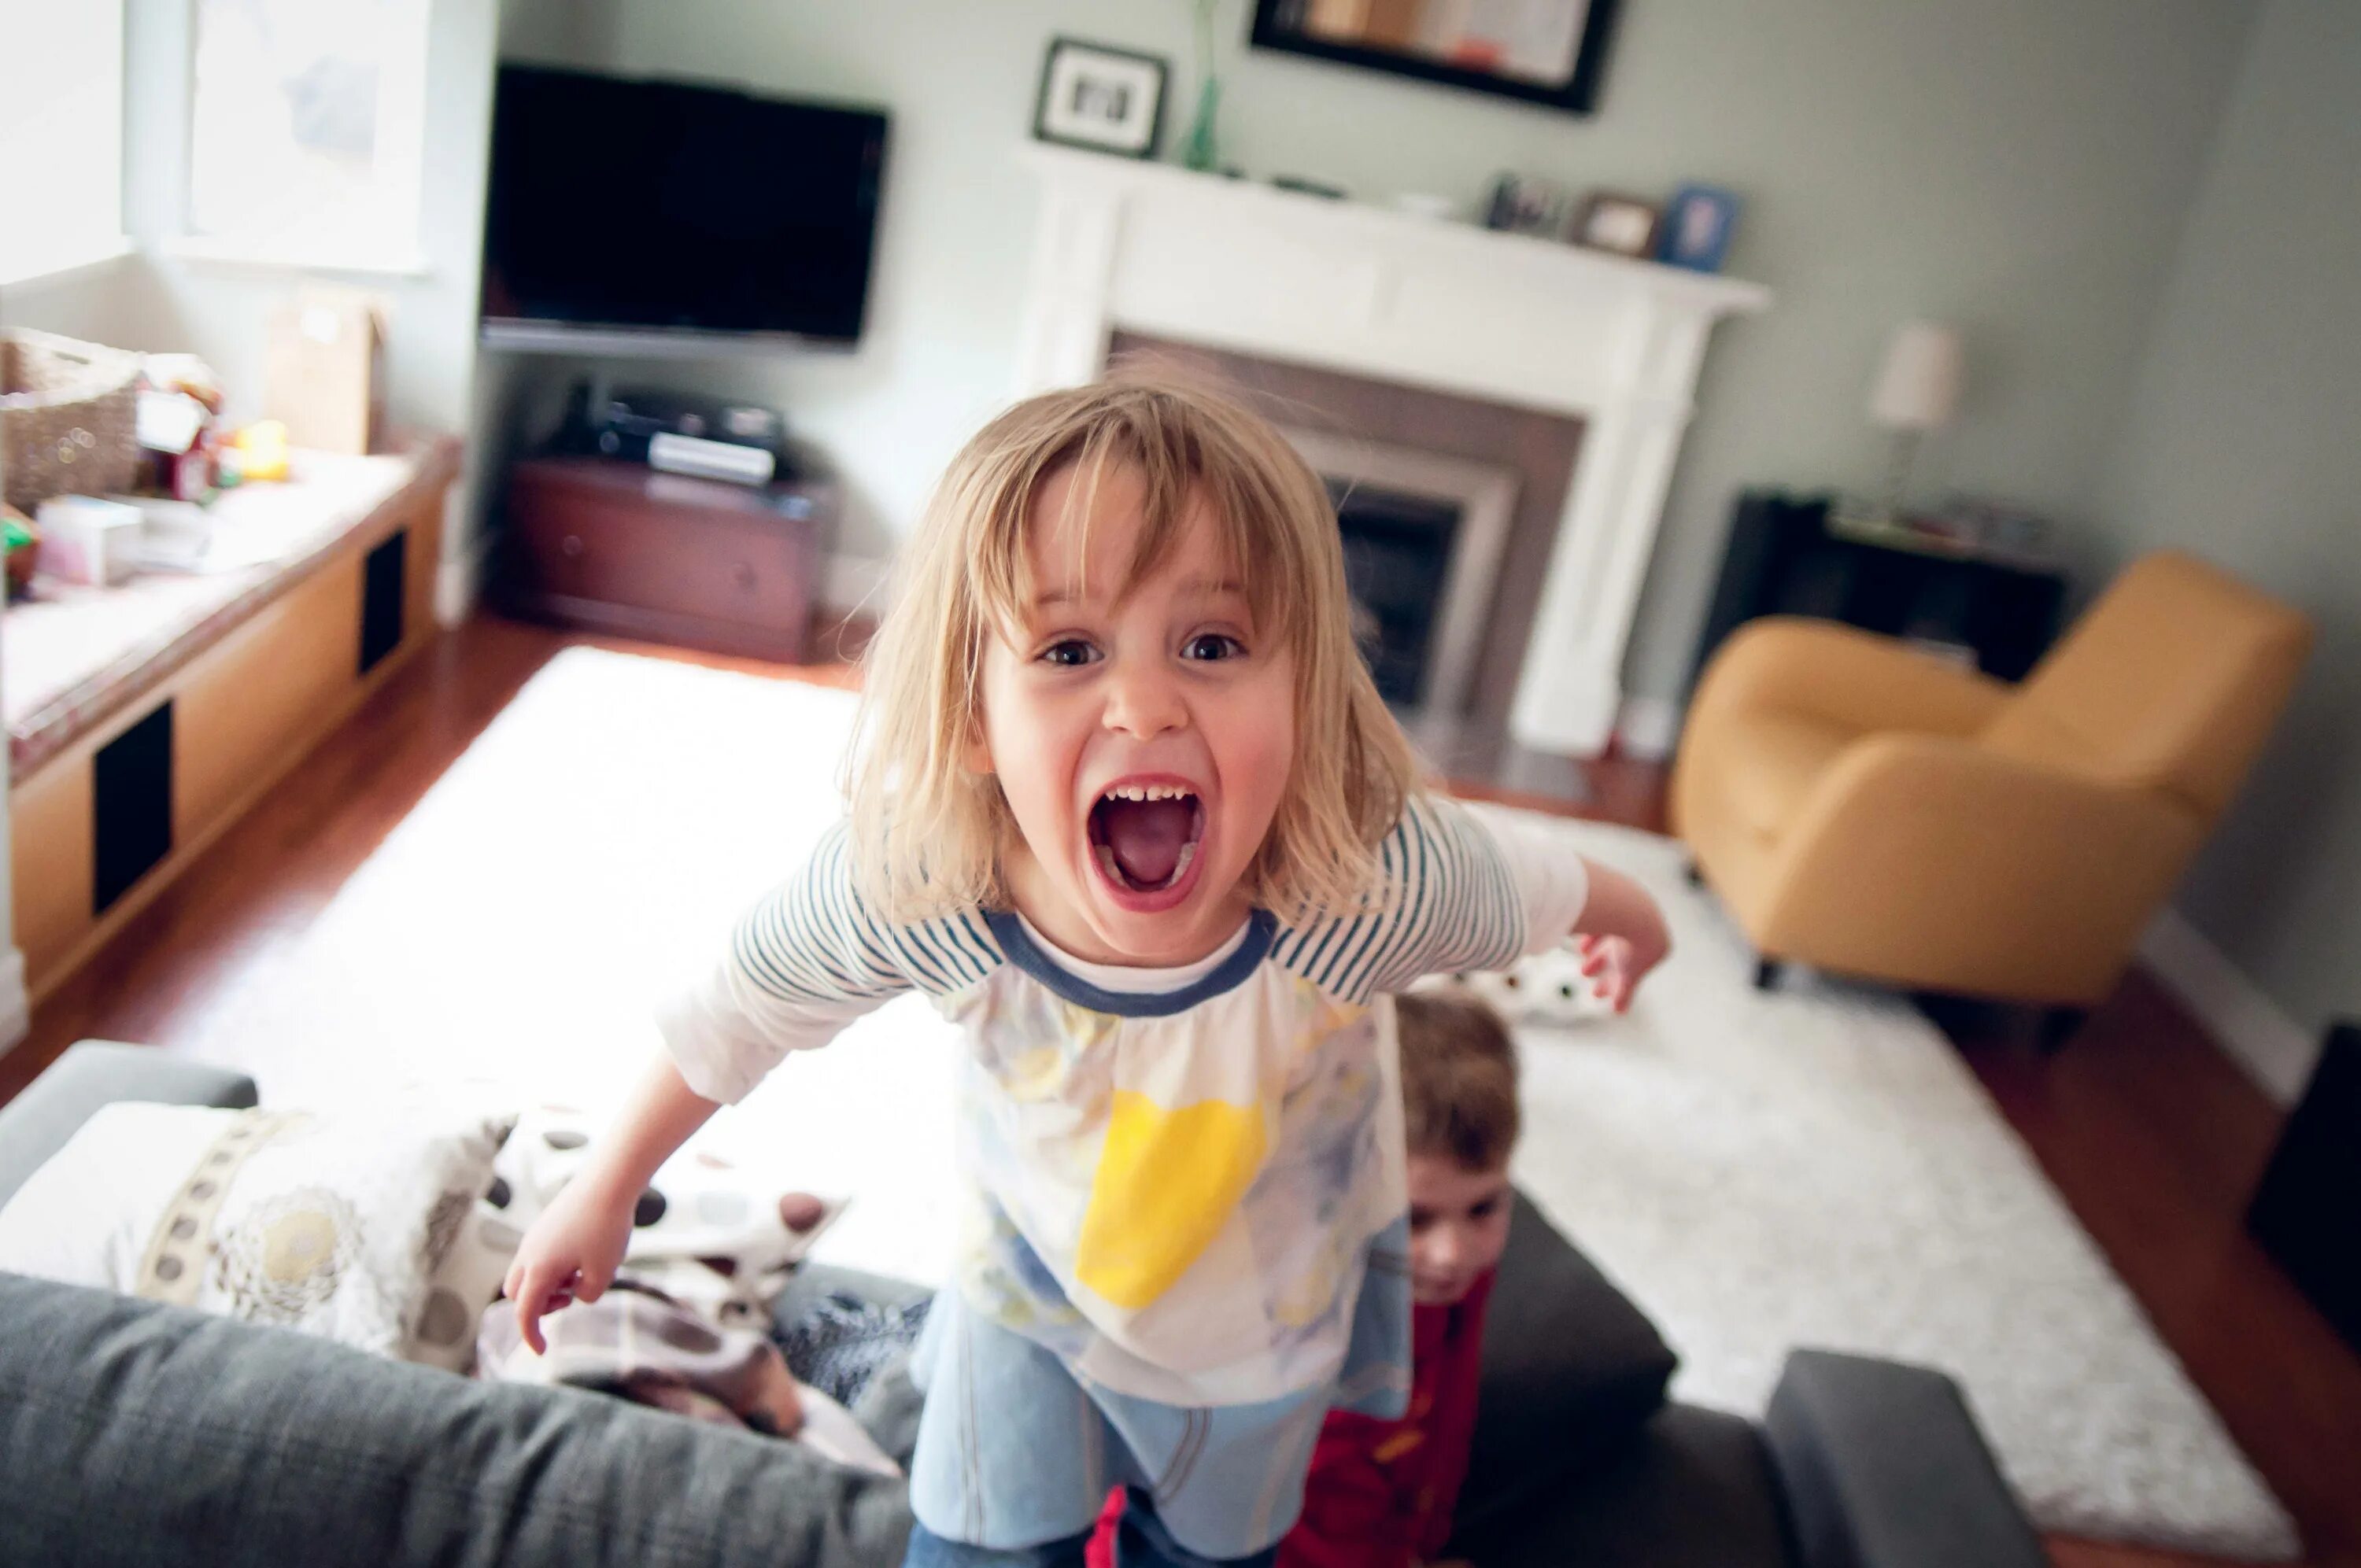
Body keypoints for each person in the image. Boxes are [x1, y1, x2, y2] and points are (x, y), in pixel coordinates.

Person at [503, 378, 1671, 1567]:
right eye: (1068, 648)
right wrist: (605, 1185)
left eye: (1212, 644)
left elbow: (1538, 882)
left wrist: (1637, 922)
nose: (1146, 702)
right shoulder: (928, 883)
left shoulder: (1363, 887)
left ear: (1307, 694)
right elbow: (737, 1010)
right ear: (971, 714)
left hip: (1260, 1347)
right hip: (1027, 1310)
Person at [1087, 987, 1528, 1568]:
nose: (1454, 1254)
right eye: (1414, 1219)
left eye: (1484, 1207)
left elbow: (1449, 1404)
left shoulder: (1450, 1274)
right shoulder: (1295, 1318)